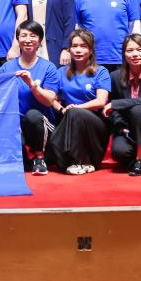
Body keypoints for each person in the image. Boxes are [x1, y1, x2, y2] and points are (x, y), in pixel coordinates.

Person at [45, 28, 111, 175]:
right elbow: (50, 98)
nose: (78, 50)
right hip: (69, 119)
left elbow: (101, 101)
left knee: (74, 114)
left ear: (91, 50)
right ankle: (73, 161)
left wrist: (77, 107)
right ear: (69, 49)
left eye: (83, 46)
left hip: (96, 124)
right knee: (69, 118)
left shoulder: (101, 71)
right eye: (74, 46)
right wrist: (62, 109)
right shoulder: (61, 72)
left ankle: (80, 161)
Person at [1, 22, 61, 175]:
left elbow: (49, 100)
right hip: (17, 125)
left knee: (32, 115)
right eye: (23, 36)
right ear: (18, 39)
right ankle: (25, 157)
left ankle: (40, 158)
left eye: (33, 36)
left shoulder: (49, 67)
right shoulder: (7, 68)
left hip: (43, 124)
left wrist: (32, 85)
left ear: (39, 41)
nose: (28, 40)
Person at [105, 33, 141, 177]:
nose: (135, 54)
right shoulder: (115, 76)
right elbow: (114, 112)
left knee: (137, 109)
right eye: (130, 50)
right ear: (124, 54)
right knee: (120, 153)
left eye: (139, 50)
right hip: (128, 127)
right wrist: (121, 127)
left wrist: (115, 104)